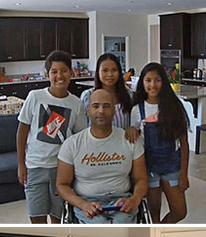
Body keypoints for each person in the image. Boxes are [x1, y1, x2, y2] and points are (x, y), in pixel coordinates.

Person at [56, 89, 148, 223]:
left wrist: (135, 199)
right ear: (88, 110)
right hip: (86, 201)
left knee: (121, 226)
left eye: (106, 106)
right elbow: (61, 184)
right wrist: (82, 204)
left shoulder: (130, 141)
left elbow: (141, 179)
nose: (101, 111)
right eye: (96, 106)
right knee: (99, 225)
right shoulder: (72, 144)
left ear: (114, 110)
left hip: (122, 199)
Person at [16, 50, 88, 223]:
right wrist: (20, 164)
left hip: (62, 170)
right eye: (54, 71)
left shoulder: (76, 103)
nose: (59, 76)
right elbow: (22, 131)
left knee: (59, 218)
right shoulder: (35, 97)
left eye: (63, 70)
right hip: (35, 167)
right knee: (37, 218)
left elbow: (78, 139)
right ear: (47, 75)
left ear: (71, 73)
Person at [126, 63, 190, 223]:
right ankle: (157, 234)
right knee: (153, 214)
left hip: (172, 167)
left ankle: (160, 230)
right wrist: (131, 130)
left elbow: (184, 143)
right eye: (148, 80)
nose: (152, 85)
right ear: (142, 83)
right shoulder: (137, 109)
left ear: (164, 82)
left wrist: (184, 175)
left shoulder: (174, 106)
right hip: (149, 168)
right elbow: (133, 134)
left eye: (157, 80)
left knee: (180, 211)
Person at [80, 53, 133, 130]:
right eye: (105, 70)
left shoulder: (129, 95)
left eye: (114, 70)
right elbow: (82, 126)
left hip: (123, 141)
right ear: (98, 72)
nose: (110, 74)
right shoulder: (87, 96)